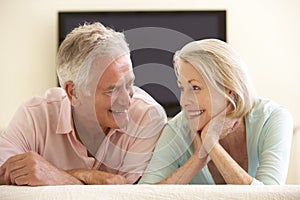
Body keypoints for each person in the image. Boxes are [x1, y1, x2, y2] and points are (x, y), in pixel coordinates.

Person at [0, 22, 167, 186]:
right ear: (73, 92)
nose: (127, 100)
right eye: (112, 90)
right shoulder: (34, 116)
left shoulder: (148, 117)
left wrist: (57, 176)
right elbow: (3, 173)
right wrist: (83, 178)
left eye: (130, 83)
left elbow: (130, 197)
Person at [139, 39, 293, 185]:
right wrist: (197, 160)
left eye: (195, 88)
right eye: (182, 88)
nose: (184, 101)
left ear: (230, 90)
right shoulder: (177, 129)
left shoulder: (272, 119)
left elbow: (271, 196)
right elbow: (144, 195)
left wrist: (212, 143)